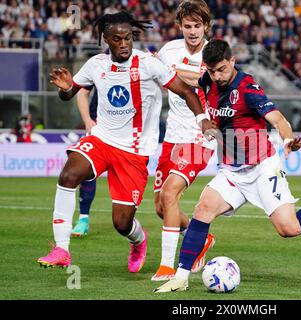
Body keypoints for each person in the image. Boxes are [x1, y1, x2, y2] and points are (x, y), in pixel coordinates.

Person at [154, 39, 301, 293]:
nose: (217, 76)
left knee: (289, 228)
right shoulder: (208, 80)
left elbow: (277, 118)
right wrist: (200, 117)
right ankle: (181, 277)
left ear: (232, 62)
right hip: (231, 172)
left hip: (261, 168)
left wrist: (288, 139)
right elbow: (190, 84)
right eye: (211, 71)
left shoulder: (248, 88)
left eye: (222, 69)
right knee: (203, 210)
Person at [37, 11, 212, 274]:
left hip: (134, 152)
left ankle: (138, 241)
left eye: (128, 38)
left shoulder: (148, 64)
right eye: (116, 39)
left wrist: (202, 119)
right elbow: (72, 92)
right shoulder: (96, 64)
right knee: (69, 174)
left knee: (121, 223)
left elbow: (186, 90)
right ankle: (62, 249)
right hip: (102, 140)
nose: (123, 44)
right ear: (105, 40)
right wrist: (65, 89)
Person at [151, 0, 216, 281]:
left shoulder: (214, 53)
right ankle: (199, 237)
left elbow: (205, 79)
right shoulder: (169, 50)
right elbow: (156, 78)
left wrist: (169, 72)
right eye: (187, 26)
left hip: (200, 137)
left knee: (170, 194)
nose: (192, 31)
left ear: (206, 27)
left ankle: (168, 267)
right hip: (172, 136)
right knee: (161, 207)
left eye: (197, 26)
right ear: (180, 26)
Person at [71, 87, 98, 237]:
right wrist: (87, 119)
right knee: (87, 170)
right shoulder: (98, 63)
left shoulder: (141, 64)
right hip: (97, 123)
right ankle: (83, 219)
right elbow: (82, 91)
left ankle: (127, 220)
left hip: (127, 128)